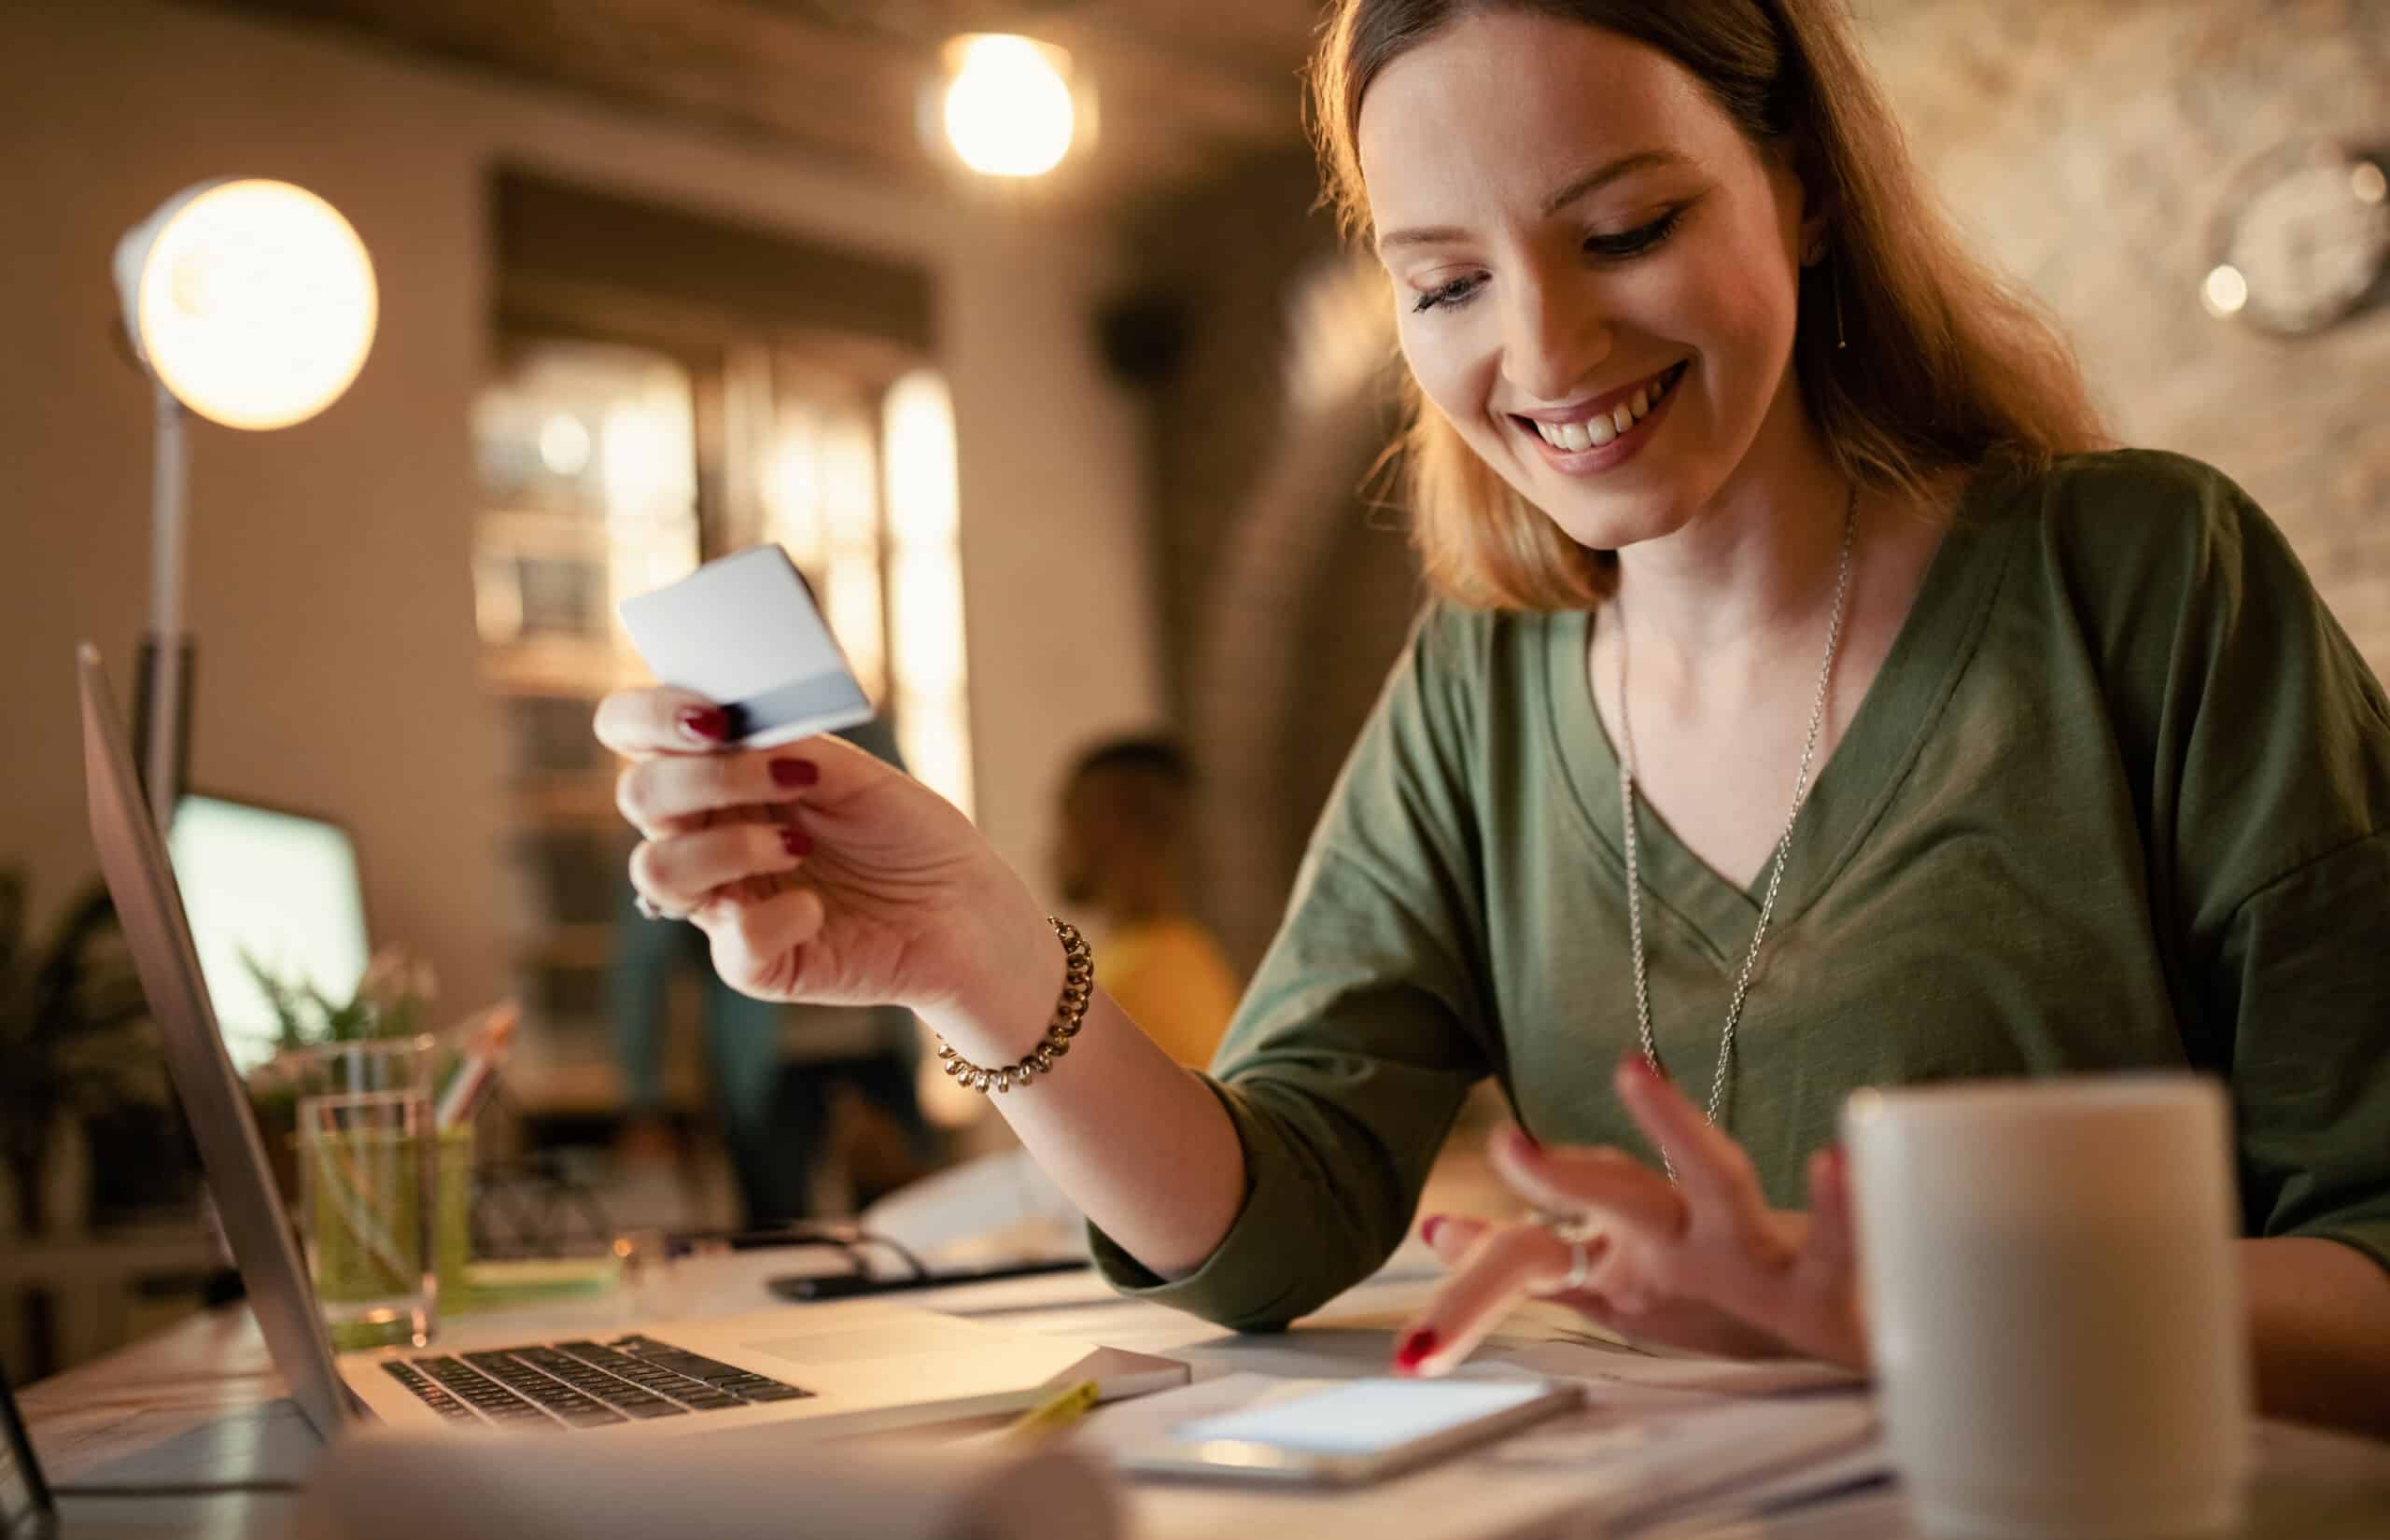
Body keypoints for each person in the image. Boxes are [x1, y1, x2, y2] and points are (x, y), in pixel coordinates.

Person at [597, 0, 2390, 1435]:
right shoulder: (1481, 687)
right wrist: (977, 947)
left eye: (1625, 228)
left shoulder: (2146, 579)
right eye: (1445, 281)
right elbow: (1269, 1222)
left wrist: (1903, 1309)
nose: (1539, 352)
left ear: (1807, 187)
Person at [611, 711, 930, 1226]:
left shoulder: (864, 733)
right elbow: (644, 959)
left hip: (876, 1044)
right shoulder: (696, 760)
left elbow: (916, 869)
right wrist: (643, 1096)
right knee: (779, 1230)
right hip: (765, 1059)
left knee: (908, 1228)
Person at [1052, 736, 1241, 1071]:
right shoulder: (1174, 957)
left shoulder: (1149, 982)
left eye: (1069, 816)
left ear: (1112, 825)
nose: (1055, 845)